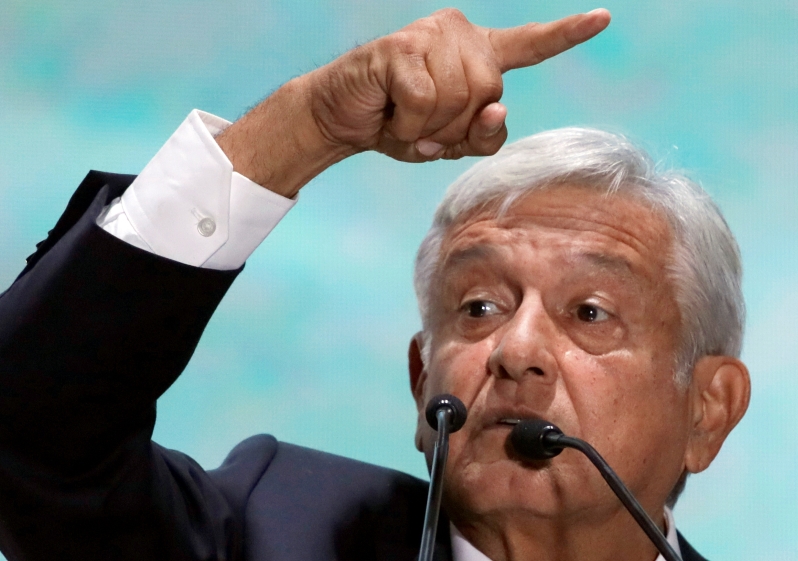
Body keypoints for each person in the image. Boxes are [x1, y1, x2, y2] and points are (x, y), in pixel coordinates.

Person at [0, 7, 750, 561]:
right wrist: (308, 126)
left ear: (708, 411)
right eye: (479, 306)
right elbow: (29, 438)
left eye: (589, 312)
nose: (516, 351)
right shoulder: (276, 529)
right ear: (424, 382)